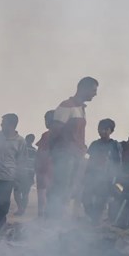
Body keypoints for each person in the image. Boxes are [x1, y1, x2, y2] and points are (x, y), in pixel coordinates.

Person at [46, 77, 99, 218]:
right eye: (93, 90)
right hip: (65, 156)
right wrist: (55, 155)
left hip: (76, 157)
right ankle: (52, 223)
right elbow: (55, 131)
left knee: (69, 191)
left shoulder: (81, 109)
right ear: (83, 88)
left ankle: (60, 222)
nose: (95, 94)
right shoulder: (67, 105)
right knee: (60, 190)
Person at [82, 119, 121, 224]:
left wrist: (115, 178)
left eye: (105, 129)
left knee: (101, 201)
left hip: (106, 179)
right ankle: (92, 217)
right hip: (92, 176)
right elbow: (88, 159)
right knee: (85, 198)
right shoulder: (94, 144)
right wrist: (85, 174)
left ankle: (95, 222)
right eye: (100, 129)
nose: (102, 131)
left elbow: (117, 162)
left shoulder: (114, 145)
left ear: (111, 131)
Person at [34, 110, 55, 218]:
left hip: (44, 169)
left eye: (46, 120)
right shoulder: (64, 135)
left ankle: (41, 217)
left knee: (42, 195)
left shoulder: (47, 135)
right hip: (56, 170)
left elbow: (41, 152)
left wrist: (37, 166)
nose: (45, 122)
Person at [13, 134, 36, 215]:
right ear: (33, 141)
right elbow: (36, 164)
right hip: (30, 174)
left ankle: (20, 208)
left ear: (26, 139)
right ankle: (22, 210)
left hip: (20, 173)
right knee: (25, 193)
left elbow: (15, 161)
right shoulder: (34, 151)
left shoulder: (21, 149)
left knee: (16, 192)